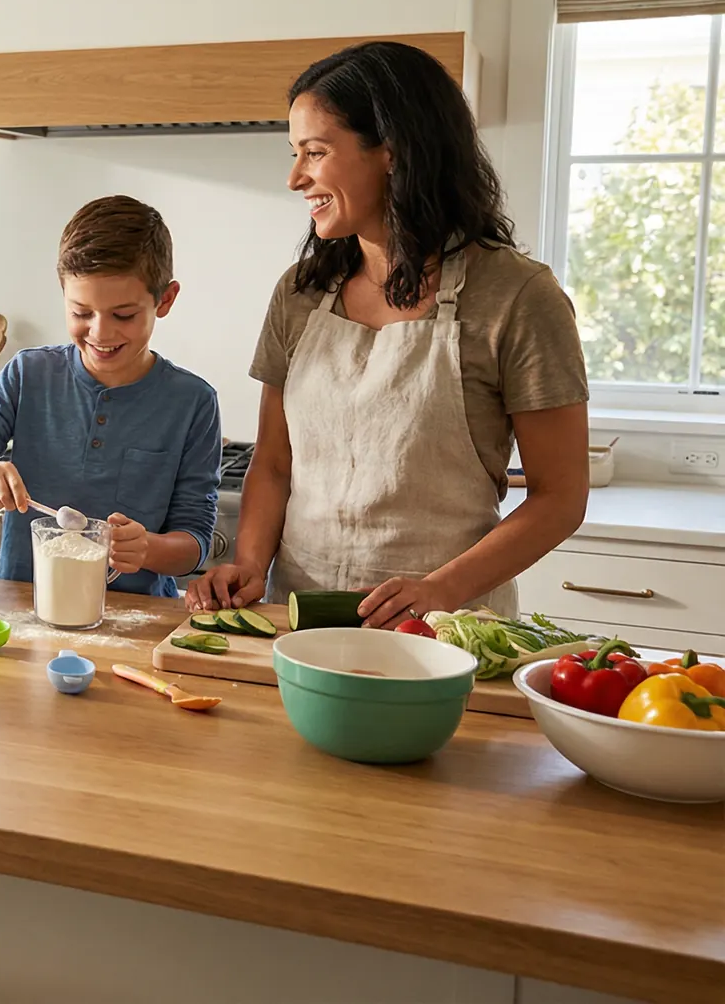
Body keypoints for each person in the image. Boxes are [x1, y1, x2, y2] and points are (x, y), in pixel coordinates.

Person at [187, 41, 589, 625]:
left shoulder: (518, 297)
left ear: (393, 152)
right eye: (295, 153)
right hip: (300, 622)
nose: (295, 176)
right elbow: (273, 462)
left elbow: (560, 498)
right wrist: (250, 561)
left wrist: (440, 590)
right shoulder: (299, 293)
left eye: (314, 152)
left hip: (446, 633)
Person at [0, 195, 221, 595]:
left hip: (137, 621)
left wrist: (147, 548)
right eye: (81, 313)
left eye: (124, 315)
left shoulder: (192, 402)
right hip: (23, 611)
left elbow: (195, 542)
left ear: (164, 300)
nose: (101, 332)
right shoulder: (29, 375)